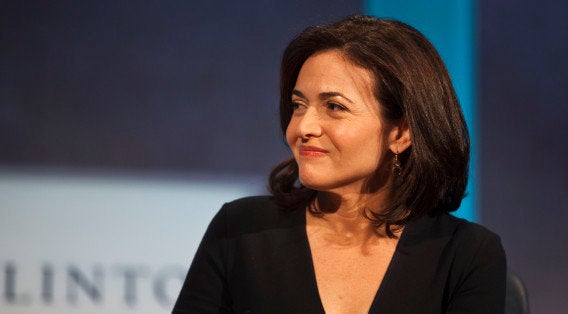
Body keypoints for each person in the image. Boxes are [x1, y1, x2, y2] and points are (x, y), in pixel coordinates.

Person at [173, 15, 506, 314]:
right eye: (298, 105)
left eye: (334, 107)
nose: (303, 127)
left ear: (401, 132)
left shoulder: (467, 254)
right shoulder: (241, 229)